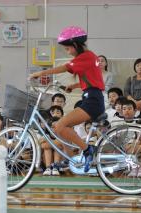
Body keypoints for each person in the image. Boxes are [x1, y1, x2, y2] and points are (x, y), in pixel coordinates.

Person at [29, 26, 104, 172]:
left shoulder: (85, 56)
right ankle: (69, 159)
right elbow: (94, 79)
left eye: (68, 48)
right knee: (62, 127)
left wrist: (41, 73)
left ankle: (88, 150)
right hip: (92, 97)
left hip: (92, 101)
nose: (68, 52)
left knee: (60, 126)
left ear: (75, 45)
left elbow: (64, 68)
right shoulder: (89, 57)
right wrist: (75, 85)